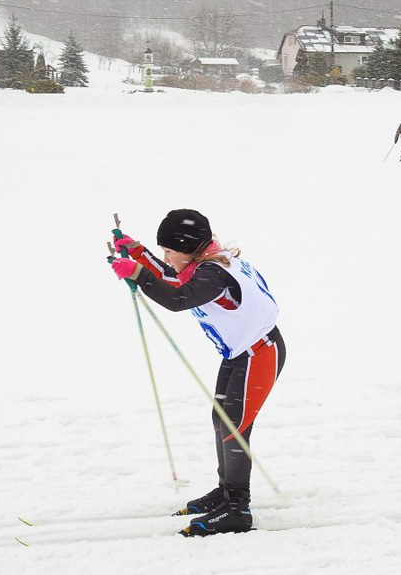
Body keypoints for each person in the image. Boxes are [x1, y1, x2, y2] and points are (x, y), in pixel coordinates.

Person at [110, 209, 286, 535]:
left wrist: (138, 273)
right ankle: (226, 491)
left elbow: (179, 297)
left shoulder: (213, 274)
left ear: (188, 248)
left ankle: (237, 508)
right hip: (241, 353)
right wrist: (138, 253)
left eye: (168, 251)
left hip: (259, 354)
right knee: (222, 420)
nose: (166, 257)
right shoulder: (203, 262)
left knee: (235, 427)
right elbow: (174, 278)